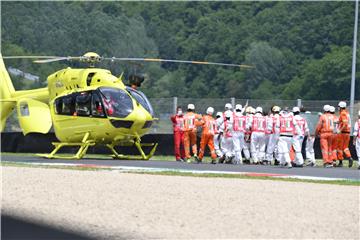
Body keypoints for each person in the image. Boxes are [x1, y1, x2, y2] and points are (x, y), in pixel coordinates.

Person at [336, 101, 353, 167]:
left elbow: (345, 124)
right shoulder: (347, 113)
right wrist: (338, 122)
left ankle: (340, 162)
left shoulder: (342, 113)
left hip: (343, 133)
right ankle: (349, 157)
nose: (338, 108)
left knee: (339, 147)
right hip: (348, 133)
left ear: (341, 107)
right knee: (345, 147)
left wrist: (340, 130)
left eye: (339, 107)